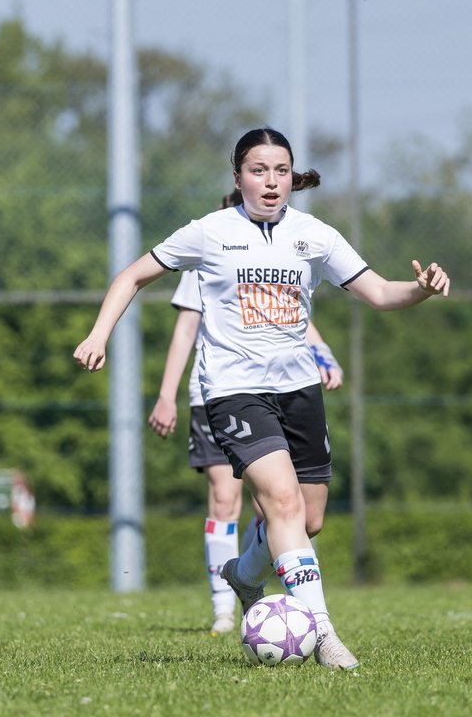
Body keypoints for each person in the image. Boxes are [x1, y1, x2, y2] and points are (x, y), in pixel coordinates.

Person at [75, 127, 450, 669]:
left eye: (280, 171)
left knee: (309, 517)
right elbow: (132, 275)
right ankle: (324, 636)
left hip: (298, 388)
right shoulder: (209, 233)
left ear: (292, 177)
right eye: (258, 171)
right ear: (237, 178)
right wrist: (97, 334)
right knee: (283, 503)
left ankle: (246, 572)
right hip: (233, 391)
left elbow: (380, 292)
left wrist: (422, 289)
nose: (271, 182)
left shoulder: (314, 234)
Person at [148, 192, 345, 637]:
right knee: (226, 496)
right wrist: (166, 394)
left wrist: (324, 354)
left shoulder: (289, 247)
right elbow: (185, 331)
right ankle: (224, 608)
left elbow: (290, 312)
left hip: (282, 389)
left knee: (293, 513)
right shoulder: (209, 247)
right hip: (218, 392)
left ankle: (246, 575)